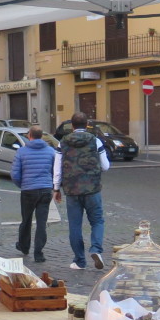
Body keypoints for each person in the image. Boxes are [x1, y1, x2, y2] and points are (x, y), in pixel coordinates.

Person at [54, 111, 109, 270]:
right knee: (97, 221)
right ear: (87, 125)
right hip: (92, 189)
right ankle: (96, 249)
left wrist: (56, 188)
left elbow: (57, 168)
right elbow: (105, 166)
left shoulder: (62, 142)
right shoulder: (96, 141)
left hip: (72, 190)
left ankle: (79, 261)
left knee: (75, 225)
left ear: (72, 126)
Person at [10, 125, 56, 263]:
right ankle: (39, 252)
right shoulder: (50, 151)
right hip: (45, 189)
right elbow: (56, 171)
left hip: (28, 190)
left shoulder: (21, 152)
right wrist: (52, 185)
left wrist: (22, 185)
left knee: (26, 219)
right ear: (41, 136)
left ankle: (24, 246)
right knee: (42, 222)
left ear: (29, 135)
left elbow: (15, 174)